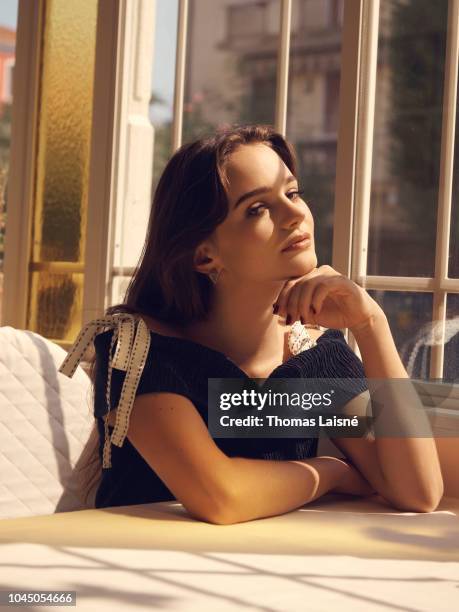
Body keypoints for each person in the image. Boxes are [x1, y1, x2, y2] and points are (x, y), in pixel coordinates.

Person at [59, 124, 444, 524]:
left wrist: (371, 323)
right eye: (257, 208)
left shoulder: (315, 357)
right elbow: (221, 497)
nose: (295, 214)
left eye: (292, 193)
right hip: (134, 566)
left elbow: (418, 491)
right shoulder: (138, 350)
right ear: (205, 257)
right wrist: (331, 471)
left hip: (265, 569)